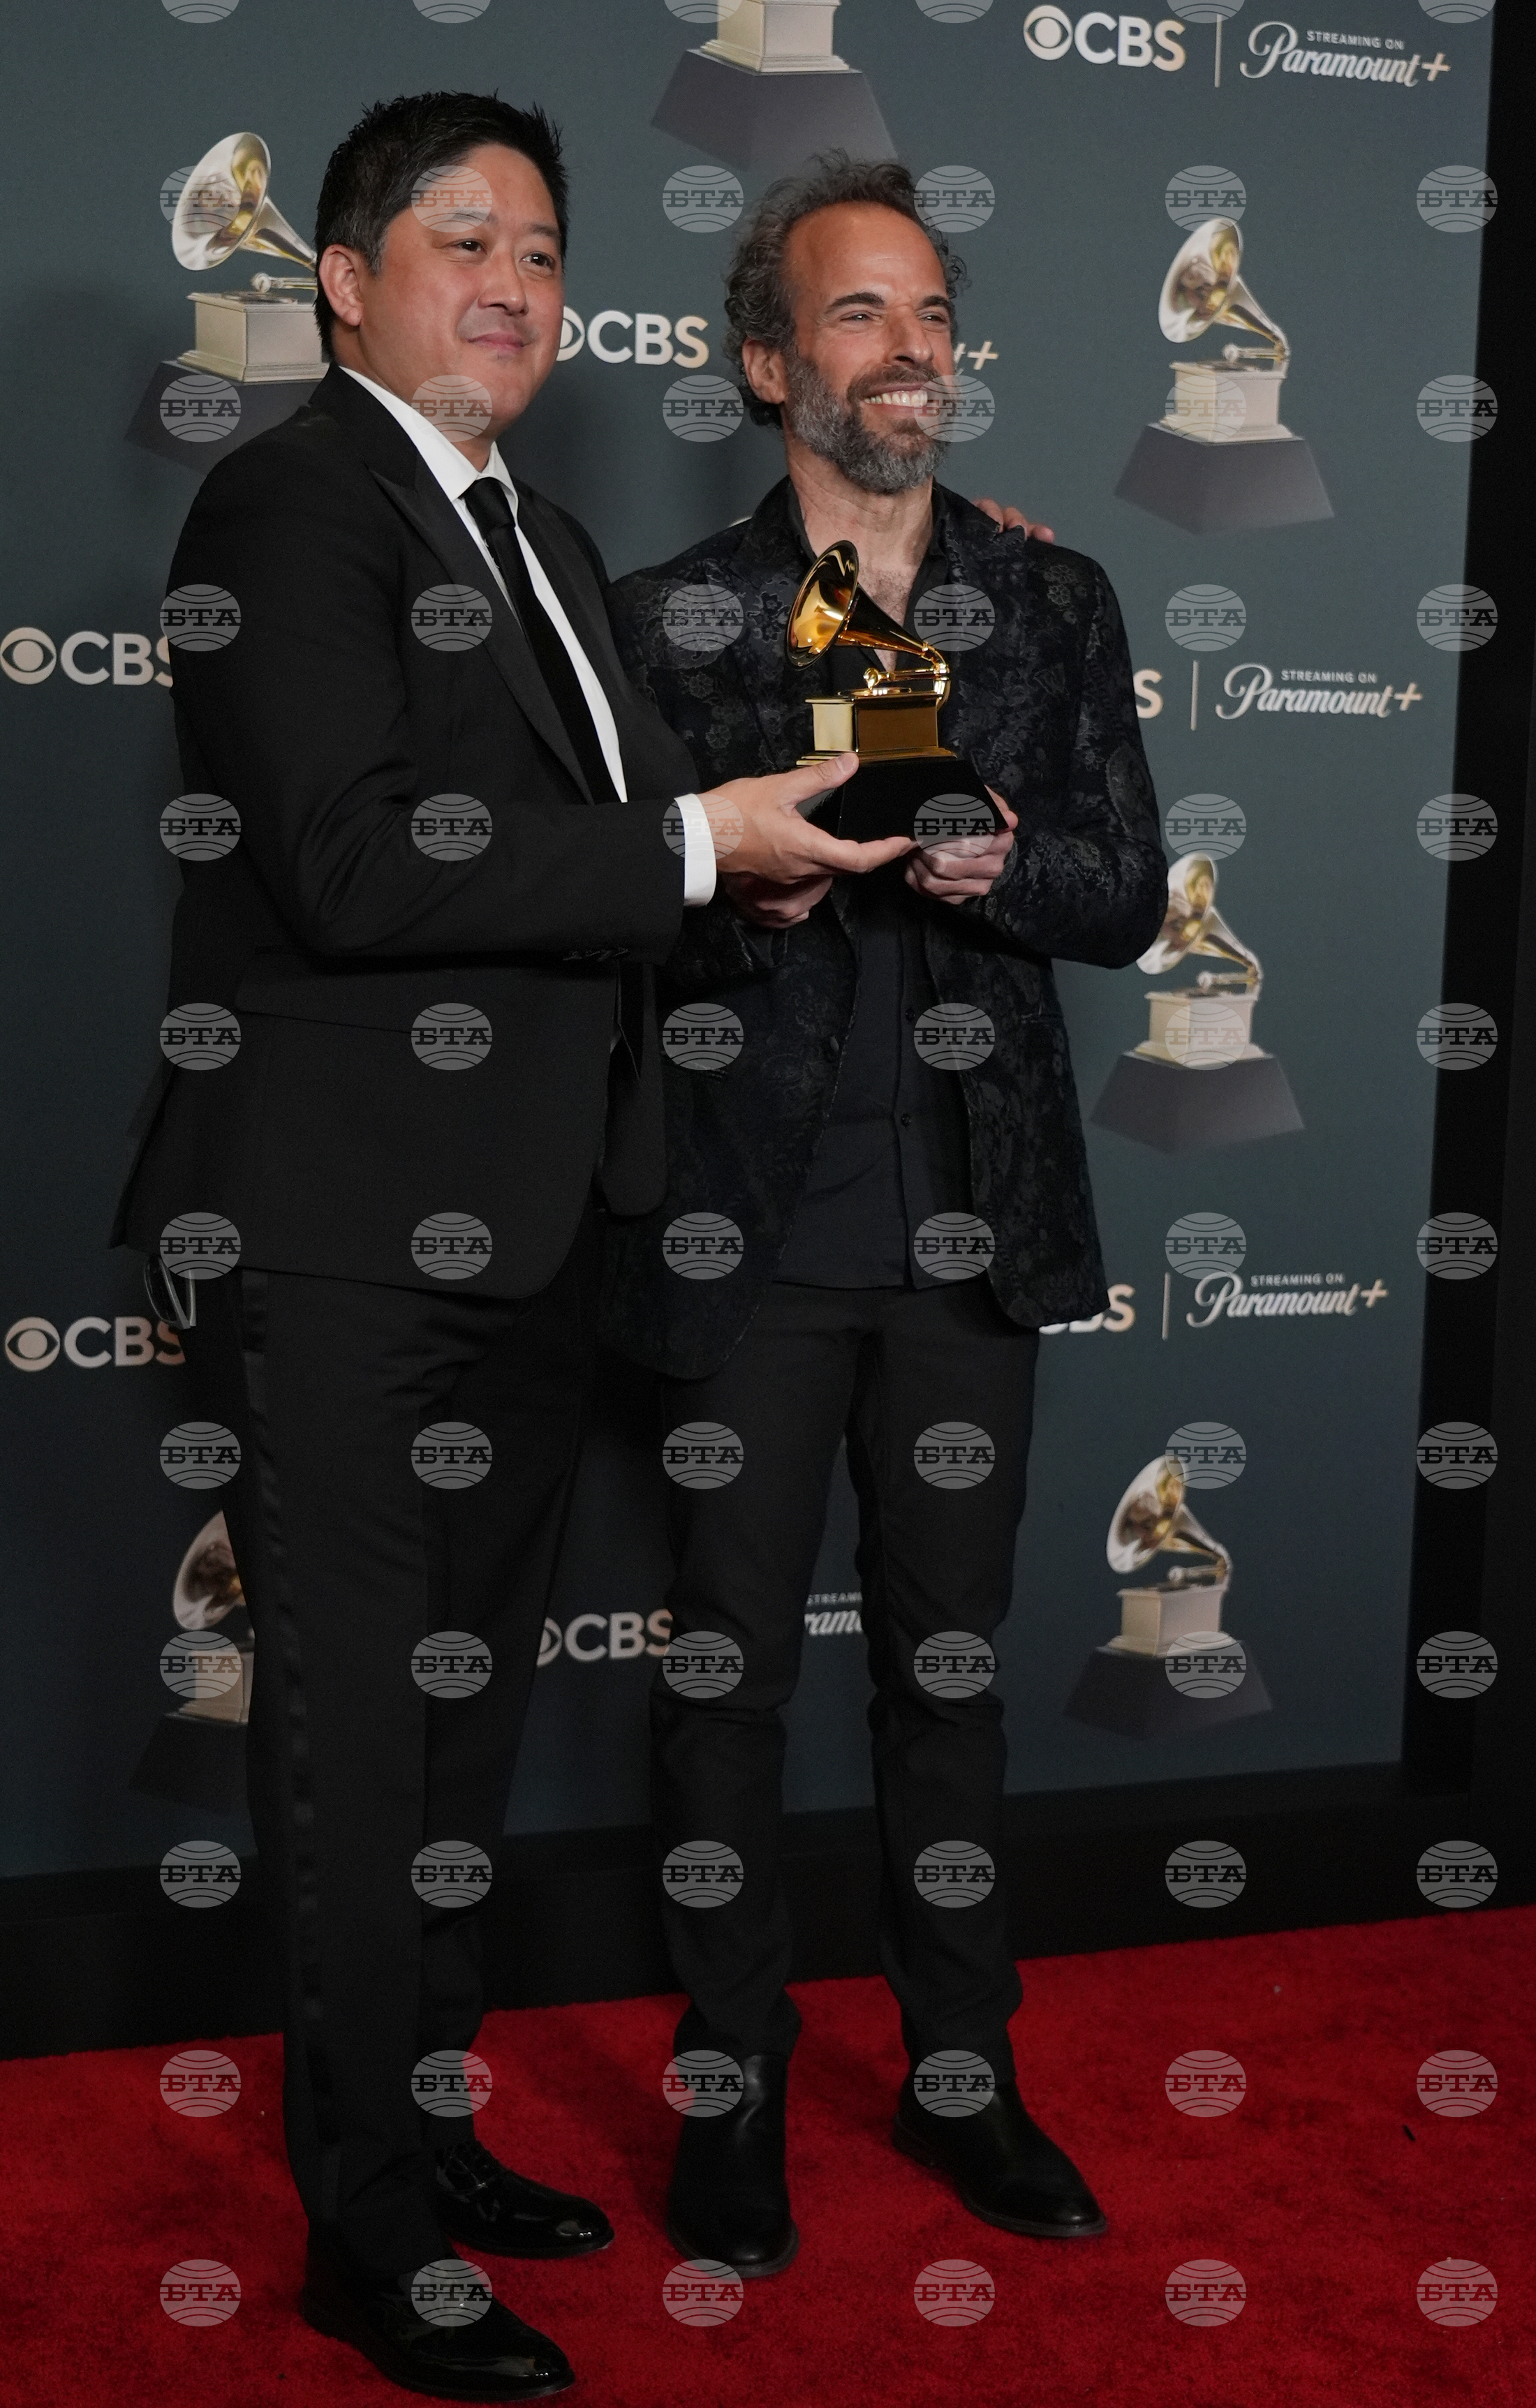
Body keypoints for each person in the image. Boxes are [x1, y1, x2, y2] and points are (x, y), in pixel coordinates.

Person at [115, 94, 906, 2402]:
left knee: (452, 1742)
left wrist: (748, 855)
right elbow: (359, 867)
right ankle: (362, 2236)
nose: (515, 284)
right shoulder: (285, 502)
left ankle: (424, 2137)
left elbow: (594, 852)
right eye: (461, 241)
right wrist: (685, 846)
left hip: (541, 1220)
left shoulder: (541, 533)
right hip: (346, 1240)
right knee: (367, 1747)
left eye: (546, 252)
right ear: (341, 280)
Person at [601, 155, 1168, 2277]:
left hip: (970, 1233)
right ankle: (725, 2099)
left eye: (928, 311)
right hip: (746, 1235)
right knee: (725, 1684)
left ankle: (963, 2079)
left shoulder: (1054, 597)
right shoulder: (667, 615)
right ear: (766, 361)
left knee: (948, 1673)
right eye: (856, 313)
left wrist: (992, 866)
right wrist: (732, 880)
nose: (908, 347)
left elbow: (1122, 893)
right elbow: (600, 925)